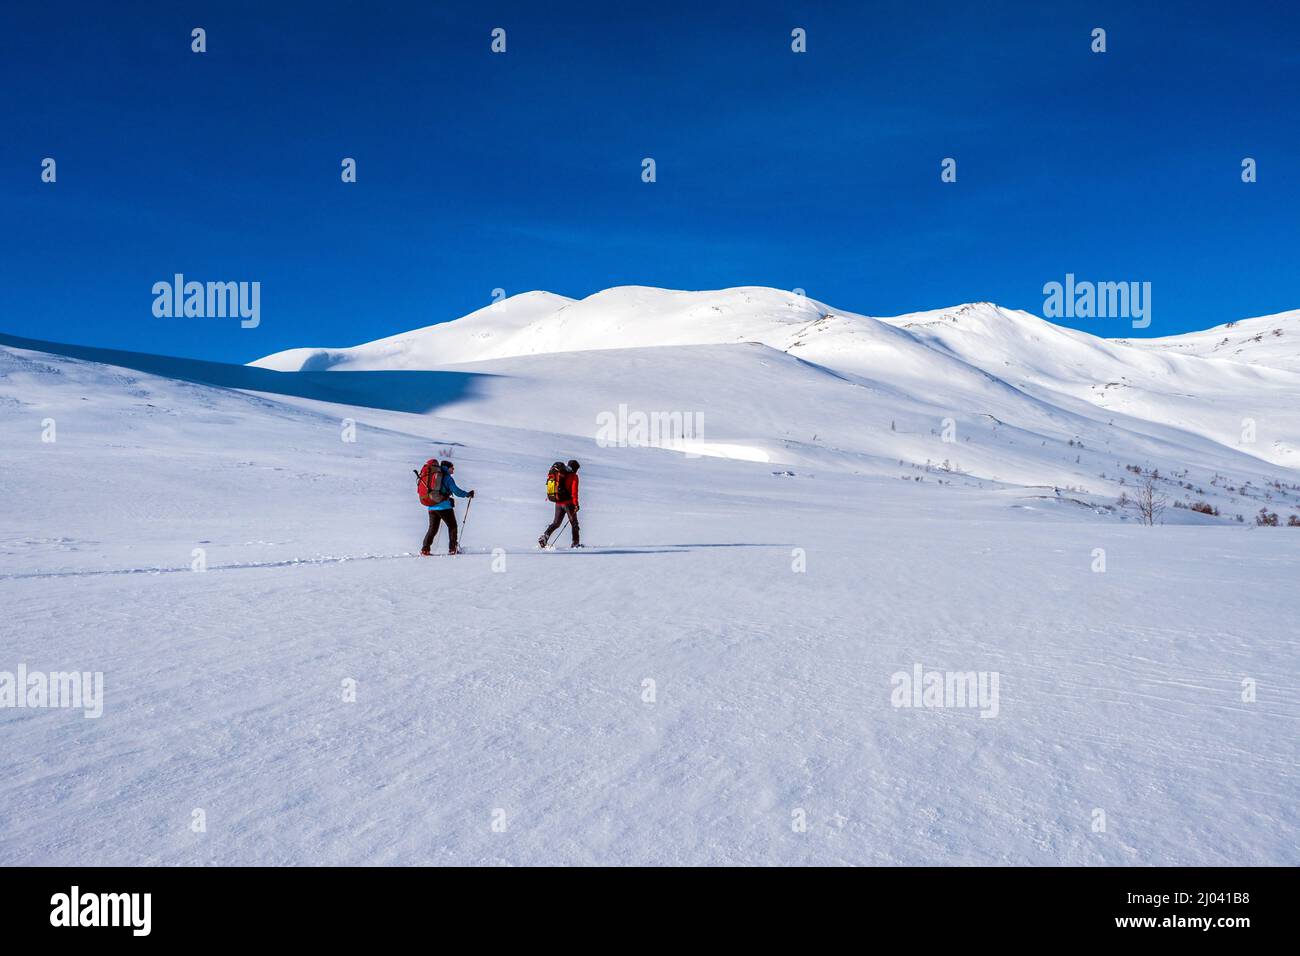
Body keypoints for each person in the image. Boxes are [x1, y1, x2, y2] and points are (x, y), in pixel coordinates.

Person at [422, 460, 474, 555]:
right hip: (444, 507)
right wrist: (467, 494)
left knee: (432, 529)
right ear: (447, 467)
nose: (453, 470)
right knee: (452, 526)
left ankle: (425, 549)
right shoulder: (447, 478)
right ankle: (452, 549)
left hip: (431, 506)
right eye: (452, 468)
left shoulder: (433, 476)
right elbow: (456, 491)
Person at [539, 459, 581, 548]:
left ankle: (545, 536)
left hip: (558, 502)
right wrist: (576, 504)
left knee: (556, 523)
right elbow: (574, 493)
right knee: (574, 524)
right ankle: (575, 543)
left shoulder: (560, 473)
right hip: (568, 503)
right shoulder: (574, 476)